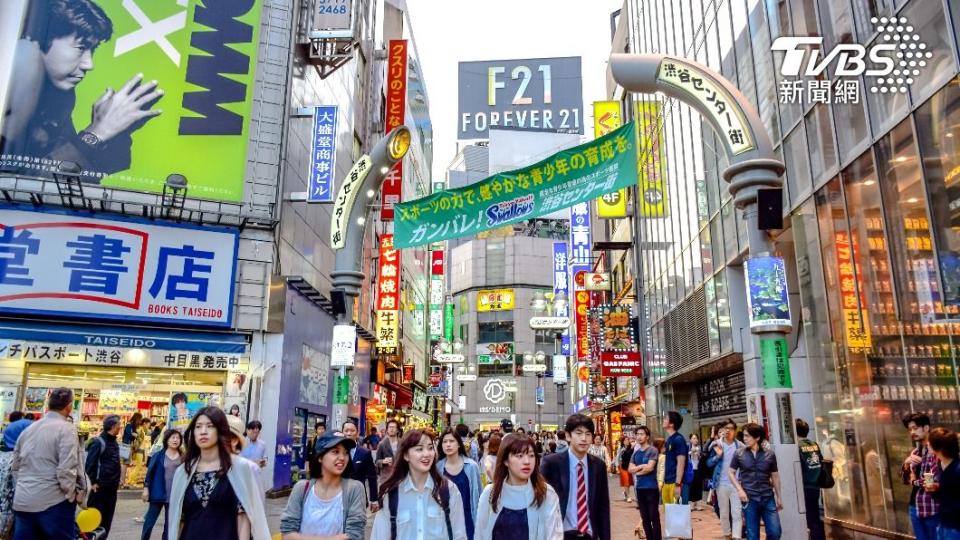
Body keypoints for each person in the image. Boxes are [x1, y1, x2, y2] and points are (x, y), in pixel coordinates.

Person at [3, 0, 163, 177]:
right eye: (81, 47)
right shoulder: (22, 59)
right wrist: (98, 131)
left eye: (92, 49)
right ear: (43, 36)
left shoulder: (61, 97)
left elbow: (82, 174)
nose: (89, 64)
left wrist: (117, 131)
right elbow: (16, 182)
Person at [167, 406, 270, 540]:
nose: (203, 431)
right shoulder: (183, 471)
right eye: (198, 427)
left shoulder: (240, 468)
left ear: (220, 430)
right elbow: (178, 521)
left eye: (210, 426)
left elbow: (243, 519)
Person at [11, 388, 85, 540]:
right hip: (53, 503)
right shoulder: (66, 429)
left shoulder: (29, 429)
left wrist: (24, 486)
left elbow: (16, 466)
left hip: (23, 501)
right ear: (69, 406)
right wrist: (71, 495)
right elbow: (66, 469)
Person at [370, 429, 468, 540]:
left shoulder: (448, 490)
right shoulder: (392, 494)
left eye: (430, 448)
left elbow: (459, 535)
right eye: (419, 449)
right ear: (406, 455)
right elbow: (379, 536)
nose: (427, 454)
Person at [279, 432, 367, 540]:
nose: (342, 458)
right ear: (320, 457)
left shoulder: (354, 489)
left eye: (346, 453)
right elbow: (287, 533)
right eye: (335, 452)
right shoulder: (302, 488)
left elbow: (354, 535)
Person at [474, 433, 562, 539]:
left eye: (531, 455)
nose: (527, 462)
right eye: (519, 456)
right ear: (506, 460)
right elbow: (480, 534)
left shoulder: (546, 493)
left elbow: (555, 536)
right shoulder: (490, 493)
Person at [540, 414, 611, 540]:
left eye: (588, 434)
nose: (584, 438)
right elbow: (540, 501)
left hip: (589, 534)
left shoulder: (598, 466)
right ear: (568, 435)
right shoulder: (551, 463)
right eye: (578, 433)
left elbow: (603, 506)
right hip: (561, 534)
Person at [728, 423, 781, 540]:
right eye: (744, 436)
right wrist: (740, 490)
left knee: (775, 532)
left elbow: (775, 476)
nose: (744, 438)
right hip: (749, 499)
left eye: (747, 436)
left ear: (757, 438)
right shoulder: (739, 454)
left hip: (768, 498)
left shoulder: (769, 455)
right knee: (752, 536)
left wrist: (779, 497)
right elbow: (730, 472)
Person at [900, 412, 941, 540]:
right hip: (915, 505)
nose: (912, 432)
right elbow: (905, 480)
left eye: (915, 428)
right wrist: (906, 464)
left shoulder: (935, 450)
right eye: (910, 429)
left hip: (932, 507)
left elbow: (932, 480)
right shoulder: (916, 451)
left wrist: (915, 481)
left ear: (926, 428)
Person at [437, 428, 482, 540]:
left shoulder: (471, 466)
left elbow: (479, 496)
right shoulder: (438, 468)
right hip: (446, 519)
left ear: (458, 444)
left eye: (451, 441)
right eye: (445, 441)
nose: (448, 445)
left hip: (469, 517)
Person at [85, 414, 123, 538]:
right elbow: (90, 463)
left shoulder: (115, 442)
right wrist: (93, 482)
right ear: (113, 426)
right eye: (119, 425)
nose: (120, 427)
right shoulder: (98, 442)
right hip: (99, 488)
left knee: (107, 520)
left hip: (112, 488)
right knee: (95, 519)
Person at [141, 429, 183, 540]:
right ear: (167, 440)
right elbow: (150, 472)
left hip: (174, 496)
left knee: (169, 526)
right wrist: (146, 488)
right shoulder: (158, 455)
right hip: (158, 493)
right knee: (149, 523)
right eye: (173, 437)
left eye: (178, 438)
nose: (175, 440)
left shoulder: (183, 457)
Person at [706, 419, 745, 538]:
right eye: (726, 428)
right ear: (722, 430)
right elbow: (708, 463)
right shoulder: (716, 444)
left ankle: (736, 536)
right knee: (723, 512)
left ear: (734, 430)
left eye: (731, 428)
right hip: (721, 484)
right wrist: (718, 456)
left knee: (737, 513)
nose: (728, 431)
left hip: (736, 484)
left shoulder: (740, 446)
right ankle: (727, 534)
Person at [796, 418, 826, 540]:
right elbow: (821, 460)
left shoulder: (797, 447)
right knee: (814, 515)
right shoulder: (814, 444)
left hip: (804, 486)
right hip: (816, 485)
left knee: (808, 517)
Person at [926, 427, 959, 540]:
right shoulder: (940, 464)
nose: (927, 444)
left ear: (939, 448)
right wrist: (934, 490)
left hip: (956, 526)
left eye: (930, 442)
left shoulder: (957, 468)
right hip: (943, 522)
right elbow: (944, 496)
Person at [628, 426, 660, 540]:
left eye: (642, 434)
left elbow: (650, 468)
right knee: (644, 517)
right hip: (640, 488)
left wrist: (638, 470)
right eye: (637, 434)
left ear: (647, 436)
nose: (639, 436)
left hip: (651, 488)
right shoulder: (635, 453)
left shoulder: (653, 450)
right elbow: (630, 469)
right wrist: (641, 467)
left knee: (653, 516)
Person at [340, 420, 379, 512]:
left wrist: (374, 499)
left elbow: (372, 477)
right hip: (338, 496)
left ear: (357, 433)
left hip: (358, 497)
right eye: (346, 431)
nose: (349, 433)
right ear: (342, 433)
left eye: (352, 431)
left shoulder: (364, 453)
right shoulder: (335, 452)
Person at [661, 411, 688, 505]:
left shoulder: (678, 439)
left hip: (675, 483)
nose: (663, 420)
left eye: (665, 419)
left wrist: (678, 484)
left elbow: (681, 463)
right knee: (669, 515)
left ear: (671, 424)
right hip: (667, 482)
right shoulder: (669, 439)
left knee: (677, 516)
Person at [121, 411, 143, 487]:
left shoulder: (131, 426)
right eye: (140, 419)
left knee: (125, 464)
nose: (140, 421)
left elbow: (132, 435)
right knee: (124, 464)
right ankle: (122, 482)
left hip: (127, 446)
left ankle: (122, 481)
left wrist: (135, 435)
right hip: (126, 446)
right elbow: (130, 435)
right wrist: (136, 435)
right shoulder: (129, 425)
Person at [687, 433, 704, 508]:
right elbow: (685, 456)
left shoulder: (700, 448)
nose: (695, 440)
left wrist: (699, 454)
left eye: (696, 438)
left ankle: (698, 502)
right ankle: (691, 502)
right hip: (690, 469)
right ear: (690, 440)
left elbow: (703, 458)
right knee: (691, 486)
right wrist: (691, 452)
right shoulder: (688, 447)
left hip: (698, 469)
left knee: (698, 485)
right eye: (693, 438)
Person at [616, 435, 634, 502]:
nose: (627, 441)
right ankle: (628, 496)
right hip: (622, 466)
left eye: (628, 440)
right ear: (623, 442)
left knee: (629, 482)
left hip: (630, 466)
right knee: (626, 481)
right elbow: (617, 458)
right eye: (625, 440)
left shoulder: (631, 448)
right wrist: (617, 467)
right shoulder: (621, 449)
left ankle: (625, 493)